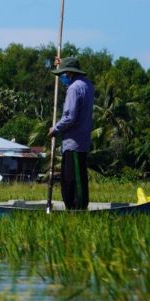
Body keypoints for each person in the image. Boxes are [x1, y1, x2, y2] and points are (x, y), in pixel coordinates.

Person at [48, 56, 94, 211]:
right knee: (72, 178)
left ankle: (77, 209)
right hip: (81, 140)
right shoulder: (86, 84)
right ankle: (74, 207)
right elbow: (65, 80)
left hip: (73, 142)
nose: (63, 77)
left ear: (69, 73)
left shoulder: (74, 88)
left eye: (64, 74)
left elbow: (70, 117)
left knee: (72, 181)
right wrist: (60, 66)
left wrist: (55, 129)